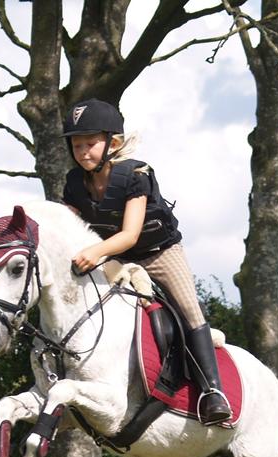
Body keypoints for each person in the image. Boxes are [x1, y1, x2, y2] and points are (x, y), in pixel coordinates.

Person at [61, 98, 232, 426]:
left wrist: (94, 252)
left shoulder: (136, 174)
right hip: (115, 259)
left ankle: (212, 392)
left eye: (90, 143)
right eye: (76, 144)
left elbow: (129, 234)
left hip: (159, 254)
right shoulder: (74, 183)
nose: (83, 151)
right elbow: (71, 227)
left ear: (113, 143)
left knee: (189, 311)